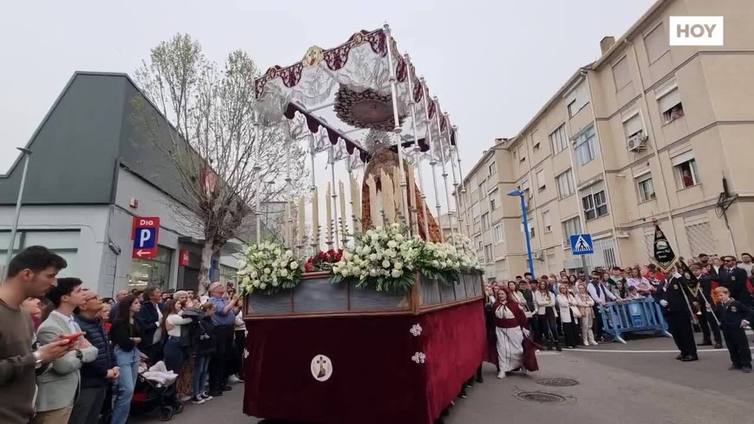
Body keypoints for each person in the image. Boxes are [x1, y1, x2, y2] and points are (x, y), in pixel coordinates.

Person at [0, 247, 72, 424]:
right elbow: (27, 360)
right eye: (50, 276)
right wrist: (38, 356)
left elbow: (24, 365)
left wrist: (49, 353)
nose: (54, 283)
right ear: (27, 274)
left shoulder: (24, 316)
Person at [33, 277, 99, 424]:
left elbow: (95, 350)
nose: (84, 294)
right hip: (54, 399)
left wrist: (79, 352)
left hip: (68, 395)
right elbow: (62, 365)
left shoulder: (72, 322)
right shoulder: (50, 327)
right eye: (79, 291)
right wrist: (83, 352)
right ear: (65, 297)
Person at [70, 291, 119, 424]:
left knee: (93, 418)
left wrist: (114, 365)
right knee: (81, 418)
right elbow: (83, 357)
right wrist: (104, 372)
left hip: (101, 381)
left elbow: (107, 347)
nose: (100, 300)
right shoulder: (78, 326)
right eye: (95, 298)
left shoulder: (96, 323)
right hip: (88, 383)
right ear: (83, 306)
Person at [110, 295, 143, 424]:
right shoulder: (119, 322)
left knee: (130, 390)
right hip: (123, 353)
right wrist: (134, 340)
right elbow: (124, 342)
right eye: (135, 303)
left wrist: (134, 340)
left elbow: (142, 337)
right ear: (128, 306)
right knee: (126, 389)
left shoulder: (136, 321)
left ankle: (122, 419)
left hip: (135, 353)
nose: (139, 305)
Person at [207, 282, 241, 396]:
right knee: (218, 357)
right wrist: (233, 300)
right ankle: (214, 386)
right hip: (219, 331)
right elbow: (224, 311)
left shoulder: (223, 299)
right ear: (213, 290)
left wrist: (238, 306)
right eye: (220, 286)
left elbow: (232, 312)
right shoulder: (212, 301)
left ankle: (222, 382)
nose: (223, 287)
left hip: (228, 329)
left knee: (226, 356)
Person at [658, 268, 698, 362]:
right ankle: (683, 351)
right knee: (676, 333)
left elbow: (689, 289)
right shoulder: (663, 282)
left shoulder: (678, 280)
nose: (665, 274)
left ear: (672, 271)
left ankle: (692, 353)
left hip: (680, 310)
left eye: (667, 272)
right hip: (669, 311)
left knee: (685, 332)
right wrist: (660, 300)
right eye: (663, 272)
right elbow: (658, 293)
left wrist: (680, 277)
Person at [492, 287, 533, 379]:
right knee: (502, 350)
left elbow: (522, 317)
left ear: (506, 294)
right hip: (500, 329)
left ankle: (522, 364)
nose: (500, 296)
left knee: (517, 349)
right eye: (499, 294)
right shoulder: (495, 305)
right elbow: (493, 319)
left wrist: (525, 328)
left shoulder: (514, 305)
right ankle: (503, 370)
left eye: (502, 294)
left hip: (514, 329)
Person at [712, 287, 753, 373]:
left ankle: (746, 364)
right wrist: (709, 309)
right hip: (726, 328)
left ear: (727, 294)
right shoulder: (720, 305)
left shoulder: (735, 304)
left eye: (721, 295)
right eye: (718, 296)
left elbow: (749, 312)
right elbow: (718, 315)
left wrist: (745, 320)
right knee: (731, 346)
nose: (720, 297)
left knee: (742, 346)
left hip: (737, 328)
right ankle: (736, 362)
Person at [690, 263, 723, 349]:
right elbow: (690, 293)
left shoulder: (705, 279)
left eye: (696, 270)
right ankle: (706, 339)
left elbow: (706, 292)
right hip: (697, 305)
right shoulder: (691, 280)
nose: (694, 272)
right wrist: (694, 301)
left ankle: (718, 341)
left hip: (707, 302)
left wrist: (698, 300)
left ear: (700, 270)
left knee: (712, 323)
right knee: (702, 322)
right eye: (692, 271)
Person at [192, 303, 217, 404]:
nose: (214, 311)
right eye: (213, 309)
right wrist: (202, 336)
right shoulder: (200, 321)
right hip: (201, 348)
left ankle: (202, 391)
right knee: (199, 370)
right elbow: (196, 335)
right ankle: (196, 393)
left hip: (209, 347)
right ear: (207, 310)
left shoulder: (209, 320)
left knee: (205, 370)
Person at [161, 299, 193, 373]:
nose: (180, 305)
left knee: (175, 367)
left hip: (174, 343)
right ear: (172, 306)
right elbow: (188, 320)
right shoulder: (173, 317)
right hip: (175, 344)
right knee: (174, 368)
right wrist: (189, 308)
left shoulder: (174, 316)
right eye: (178, 304)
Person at [135, 286, 164, 362]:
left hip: (160, 342)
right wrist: (158, 323)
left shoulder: (161, 306)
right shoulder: (144, 308)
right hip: (148, 342)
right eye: (157, 292)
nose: (160, 294)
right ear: (151, 296)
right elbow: (143, 326)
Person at [587, 271, 616, 341]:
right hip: (597, 305)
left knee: (605, 319)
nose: (595, 280)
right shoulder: (590, 285)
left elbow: (607, 292)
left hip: (603, 304)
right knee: (599, 320)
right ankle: (599, 336)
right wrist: (600, 302)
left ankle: (604, 335)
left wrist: (614, 298)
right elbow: (594, 295)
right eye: (594, 278)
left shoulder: (600, 284)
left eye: (597, 278)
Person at [534, 280, 560, 351]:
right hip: (542, 311)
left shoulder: (550, 293)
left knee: (553, 327)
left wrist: (544, 302)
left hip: (550, 311)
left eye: (544, 284)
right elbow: (539, 303)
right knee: (545, 328)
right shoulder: (537, 293)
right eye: (541, 284)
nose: (542, 285)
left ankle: (557, 342)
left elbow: (553, 303)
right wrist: (547, 302)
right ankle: (549, 342)